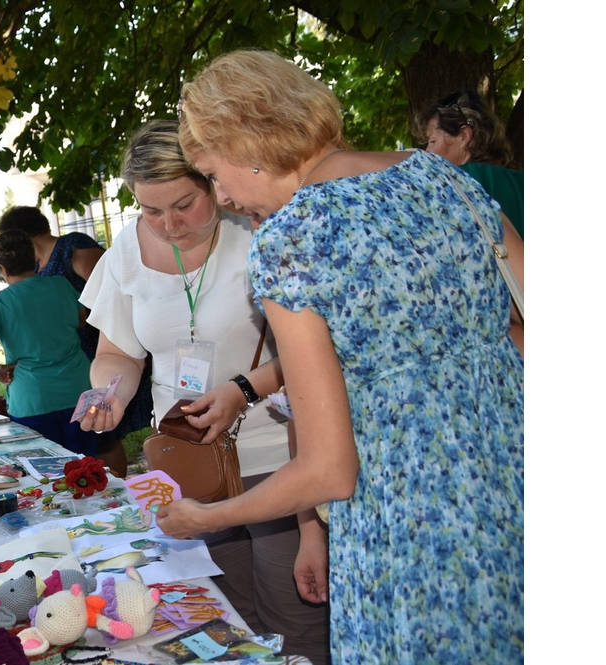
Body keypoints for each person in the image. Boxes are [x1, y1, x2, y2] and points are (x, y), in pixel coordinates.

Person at [161, 49, 523, 662]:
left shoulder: (292, 239)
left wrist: (205, 518)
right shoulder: (445, 177)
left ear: (249, 141)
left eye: (215, 173)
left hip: (410, 534)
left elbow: (328, 470)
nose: (220, 196)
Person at [75, 119, 330, 663]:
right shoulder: (126, 250)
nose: (168, 224)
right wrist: (111, 394)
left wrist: (242, 389)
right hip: (188, 463)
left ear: (213, 181)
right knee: (222, 617)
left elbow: (320, 349)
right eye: (150, 210)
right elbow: (116, 352)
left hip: (278, 453)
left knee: (295, 618)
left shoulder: (259, 224)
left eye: (184, 204)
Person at [0, 206, 153, 477]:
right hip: (79, 357)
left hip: (108, 351)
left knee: (106, 438)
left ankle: (117, 489)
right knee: (93, 435)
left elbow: (113, 295)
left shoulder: (73, 248)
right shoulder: (39, 265)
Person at [0, 229, 98, 456]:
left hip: (32, 398)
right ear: (34, 259)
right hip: (79, 391)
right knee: (88, 467)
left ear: (2, 269)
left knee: (44, 471)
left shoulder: (0, 303)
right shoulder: (61, 285)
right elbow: (81, 320)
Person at [415, 89, 524, 238]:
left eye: (432, 141)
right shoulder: (520, 180)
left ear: (465, 136)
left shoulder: (455, 182)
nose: (427, 151)